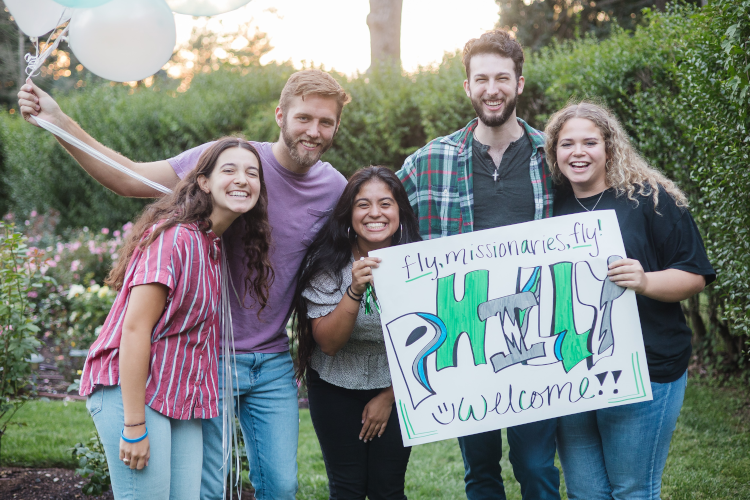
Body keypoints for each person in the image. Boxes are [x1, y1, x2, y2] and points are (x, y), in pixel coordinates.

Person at [18, 69, 350, 500]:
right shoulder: (233, 165)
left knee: (281, 486)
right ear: (280, 115)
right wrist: (58, 121)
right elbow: (129, 178)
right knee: (206, 490)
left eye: (326, 122)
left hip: (271, 361)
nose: (314, 131)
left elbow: (364, 236)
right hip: (206, 357)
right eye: (304, 118)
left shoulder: (334, 188)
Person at [395, 30, 559, 499]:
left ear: (519, 83)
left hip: (538, 335)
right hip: (466, 338)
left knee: (536, 466)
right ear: (467, 86)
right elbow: (377, 212)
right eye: (481, 78)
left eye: (502, 78)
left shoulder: (553, 156)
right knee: (481, 470)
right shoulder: (431, 160)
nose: (492, 88)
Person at [79, 138, 273, 499]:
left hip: (175, 397)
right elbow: (135, 330)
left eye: (252, 173)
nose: (242, 179)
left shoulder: (213, 245)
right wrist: (134, 425)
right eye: (228, 170)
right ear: (203, 182)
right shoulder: (175, 238)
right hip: (132, 393)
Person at [545, 101, 715, 499]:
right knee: (586, 493)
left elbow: (694, 275)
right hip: (571, 373)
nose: (578, 152)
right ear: (554, 153)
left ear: (609, 146)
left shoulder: (651, 200)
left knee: (632, 491)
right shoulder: (548, 205)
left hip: (647, 369)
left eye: (590, 142)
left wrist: (645, 280)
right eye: (567, 144)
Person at [292, 166, 421, 500]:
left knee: (387, 489)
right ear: (349, 214)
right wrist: (354, 290)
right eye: (363, 205)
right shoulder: (326, 264)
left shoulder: (420, 263)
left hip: (400, 386)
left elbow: (429, 342)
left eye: (385, 204)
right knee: (347, 488)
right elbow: (330, 344)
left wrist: (389, 397)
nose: (375, 213)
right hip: (334, 385)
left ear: (399, 212)